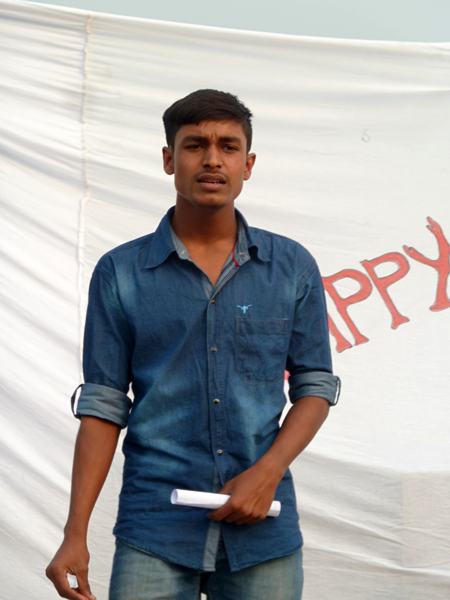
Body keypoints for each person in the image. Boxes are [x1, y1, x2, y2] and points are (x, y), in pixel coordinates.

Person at [46, 89, 340, 600]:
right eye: (195, 145)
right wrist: (75, 533)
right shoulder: (121, 272)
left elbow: (314, 387)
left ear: (248, 165)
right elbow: (104, 406)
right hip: (155, 526)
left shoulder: (291, 267)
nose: (212, 159)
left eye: (228, 146)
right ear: (169, 159)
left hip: (263, 525)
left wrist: (267, 472)